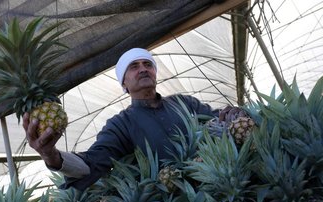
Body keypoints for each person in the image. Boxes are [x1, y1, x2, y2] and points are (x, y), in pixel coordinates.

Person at [23, 48, 235, 191]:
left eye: (147, 64)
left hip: (221, 186)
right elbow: (91, 165)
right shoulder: (121, 124)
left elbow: (219, 118)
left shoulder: (184, 102)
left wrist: (235, 115)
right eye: (133, 66)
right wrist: (51, 156)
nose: (143, 68)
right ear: (124, 83)